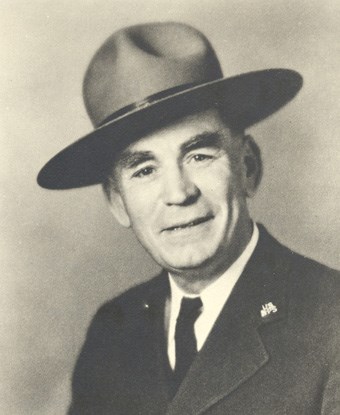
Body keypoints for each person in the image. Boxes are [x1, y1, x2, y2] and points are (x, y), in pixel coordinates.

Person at [37, 22, 340, 415]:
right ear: (117, 202)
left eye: (199, 155)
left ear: (247, 166)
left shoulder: (331, 320)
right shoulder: (112, 332)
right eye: (144, 170)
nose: (179, 193)